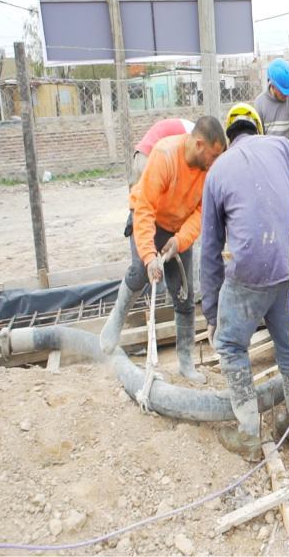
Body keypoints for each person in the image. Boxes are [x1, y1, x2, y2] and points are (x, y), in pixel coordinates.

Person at [200, 103, 289, 461]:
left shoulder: (217, 171)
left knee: (230, 346)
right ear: (258, 128)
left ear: (229, 137)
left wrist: (212, 314)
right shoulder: (280, 147)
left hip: (249, 272)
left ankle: (248, 433)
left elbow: (210, 251)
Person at [99, 116, 226, 385]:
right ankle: (116, 319)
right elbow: (144, 209)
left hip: (177, 227)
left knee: (184, 294)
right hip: (150, 219)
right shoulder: (165, 155)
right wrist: (148, 257)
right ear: (200, 144)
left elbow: (201, 213)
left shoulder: (209, 171)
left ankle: (185, 362)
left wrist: (179, 241)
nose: (216, 162)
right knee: (140, 274)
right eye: (213, 155)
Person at [254, 58, 289, 150]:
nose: (286, 94)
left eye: (288, 91)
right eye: (282, 91)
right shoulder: (260, 104)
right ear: (272, 85)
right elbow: (259, 139)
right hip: (270, 156)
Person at [129, 118, 194, 188]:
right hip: (151, 158)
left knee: (136, 194)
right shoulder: (193, 136)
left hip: (140, 154)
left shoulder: (188, 127)